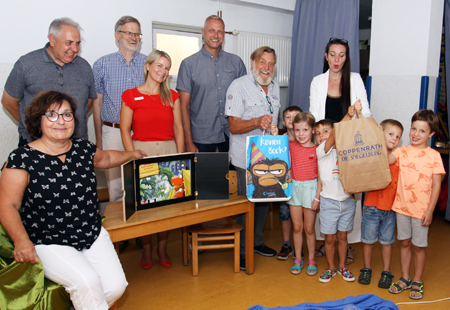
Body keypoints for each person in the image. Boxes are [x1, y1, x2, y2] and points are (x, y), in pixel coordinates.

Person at [0, 90, 146, 310]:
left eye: (67, 115)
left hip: (90, 232)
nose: (61, 121)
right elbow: (7, 205)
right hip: (48, 239)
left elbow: (106, 158)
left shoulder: (82, 149)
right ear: (38, 121)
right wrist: (22, 241)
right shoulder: (22, 158)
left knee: (116, 287)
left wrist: (132, 155)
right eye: (52, 115)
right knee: (86, 282)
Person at [309, 37, 372, 263]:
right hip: (326, 142)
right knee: (326, 190)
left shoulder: (355, 79)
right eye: (332, 54)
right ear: (326, 57)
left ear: (347, 58)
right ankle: (326, 241)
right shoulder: (317, 81)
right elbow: (313, 115)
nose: (337, 59)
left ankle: (348, 243)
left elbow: (366, 110)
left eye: (342, 55)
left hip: (350, 143)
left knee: (349, 192)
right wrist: (321, 139)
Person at [120, 50, 184, 270]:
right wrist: (132, 156)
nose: (163, 71)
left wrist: (181, 156)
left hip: (168, 151)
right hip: (142, 152)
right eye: (159, 66)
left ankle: (162, 246)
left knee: (165, 203)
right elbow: (125, 130)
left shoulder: (172, 96)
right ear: (147, 66)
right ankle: (147, 247)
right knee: (145, 205)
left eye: (167, 68)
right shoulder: (130, 95)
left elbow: (179, 128)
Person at [1, 17, 96, 147]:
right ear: (52, 40)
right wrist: (33, 126)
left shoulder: (84, 67)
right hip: (35, 145)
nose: (74, 49)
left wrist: (65, 123)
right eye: (69, 42)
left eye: (78, 43)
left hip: (76, 147)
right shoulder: (26, 64)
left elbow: (87, 103)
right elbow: (8, 102)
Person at [225, 46, 279, 270]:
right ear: (253, 62)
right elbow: (234, 126)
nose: (266, 67)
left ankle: (256, 243)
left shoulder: (275, 88)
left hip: (267, 156)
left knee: (264, 202)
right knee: (245, 206)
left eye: (271, 64)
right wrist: (256, 121)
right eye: (263, 62)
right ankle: (242, 251)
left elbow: (272, 120)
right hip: (244, 158)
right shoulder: (238, 86)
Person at [388, 110, 444, 300]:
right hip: (402, 208)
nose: (415, 134)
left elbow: (437, 186)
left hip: (421, 211)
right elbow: (386, 160)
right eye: (413, 128)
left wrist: (430, 210)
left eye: (421, 131)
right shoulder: (402, 151)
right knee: (404, 243)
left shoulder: (434, 156)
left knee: (419, 246)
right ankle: (405, 278)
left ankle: (417, 280)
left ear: (431, 134)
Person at [93, 16, 146, 204]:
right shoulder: (102, 65)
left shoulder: (148, 65)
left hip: (140, 133)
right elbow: (96, 104)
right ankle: (119, 233)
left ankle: (140, 232)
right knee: (115, 189)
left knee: (142, 184)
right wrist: (99, 140)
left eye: (137, 33)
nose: (134, 37)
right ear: (117, 35)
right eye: (129, 33)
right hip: (113, 133)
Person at [177, 15, 246, 153]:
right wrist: (188, 142)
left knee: (232, 175)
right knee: (204, 175)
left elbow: (245, 100)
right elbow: (183, 107)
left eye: (220, 31)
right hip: (201, 138)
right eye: (211, 30)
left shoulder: (236, 62)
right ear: (203, 32)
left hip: (231, 135)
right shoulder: (188, 64)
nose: (216, 35)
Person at [315, 102, 361, 283]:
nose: (321, 136)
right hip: (329, 202)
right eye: (317, 133)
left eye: (325, 131)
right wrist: (348, 115)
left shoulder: (346, 149)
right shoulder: (321, 150)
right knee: (329, 238)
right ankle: (330, 268)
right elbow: (335, 134)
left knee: (343, 237)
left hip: (347, 202)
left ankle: (342, 267)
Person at [358, 119, 403, 288]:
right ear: (380, 133)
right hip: (371, 207)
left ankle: (386, 271)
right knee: (368, 241)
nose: (394, 139)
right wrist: (374, 135)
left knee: (387, 242)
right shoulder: (373, 153)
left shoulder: (398, 158)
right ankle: (367, 268)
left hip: (390, 209)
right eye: (390, 134)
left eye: (397, 137)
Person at [288, 112, 321, 276]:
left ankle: (311, 259)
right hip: (294, 189)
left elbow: (321, 177)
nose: (301, 134)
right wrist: (273, 132)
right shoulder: (291, 146)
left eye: (305, 130)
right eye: (297, 130)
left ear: (313, 130)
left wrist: (317, 196)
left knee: (309, 228)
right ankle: (298, 258)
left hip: (311, 190)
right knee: (297, 226)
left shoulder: (318, 150)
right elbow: (275, 145)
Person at [276, 106, 302, 261]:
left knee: (302, 218)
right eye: (288, 117)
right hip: (285, 186)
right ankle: (287, 243)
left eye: (295, 116)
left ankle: (300, 246)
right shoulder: (280, 140)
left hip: (303, 184)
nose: (292, 119)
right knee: (285, 214)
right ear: (283, 122)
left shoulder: (306, 138)